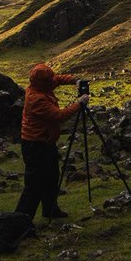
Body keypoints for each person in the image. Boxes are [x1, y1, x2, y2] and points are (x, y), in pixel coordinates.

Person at [15, 64, 87, 221]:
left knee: (52, 177)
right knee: (34, 184)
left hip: (44, 143)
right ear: (43, 82)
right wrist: (79, 104)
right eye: (49, 80)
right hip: (35, 145)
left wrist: (75, 80)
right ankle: (21, 219)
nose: (52, 81)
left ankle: (50, 209)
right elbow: (59, 116)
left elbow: (57, 79)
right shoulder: (37, 99)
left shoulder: (41, 86)